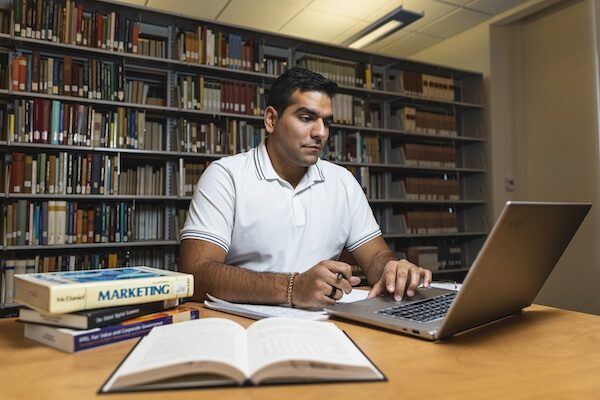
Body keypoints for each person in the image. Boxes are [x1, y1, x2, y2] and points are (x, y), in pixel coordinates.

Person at [179, 67, 431, 309]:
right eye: (306, 118)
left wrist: (392, 269)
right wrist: (293, 287)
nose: (320, 132)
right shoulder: (226, 177)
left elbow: (376, 257)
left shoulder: (342, 181)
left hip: (325, 324)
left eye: (326, 122)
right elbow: (196, 273)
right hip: (247, 327)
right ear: (271, 120)